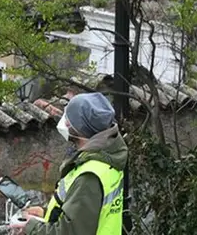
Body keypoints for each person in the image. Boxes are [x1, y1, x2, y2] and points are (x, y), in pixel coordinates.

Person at [11, 92, 128, 235]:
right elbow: (83, 216)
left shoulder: (89, 176)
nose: (64, 122)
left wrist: (31, 228)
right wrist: (46, 213)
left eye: (69, 119)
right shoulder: (105, 159)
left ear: (81, 129)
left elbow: (71, 231)